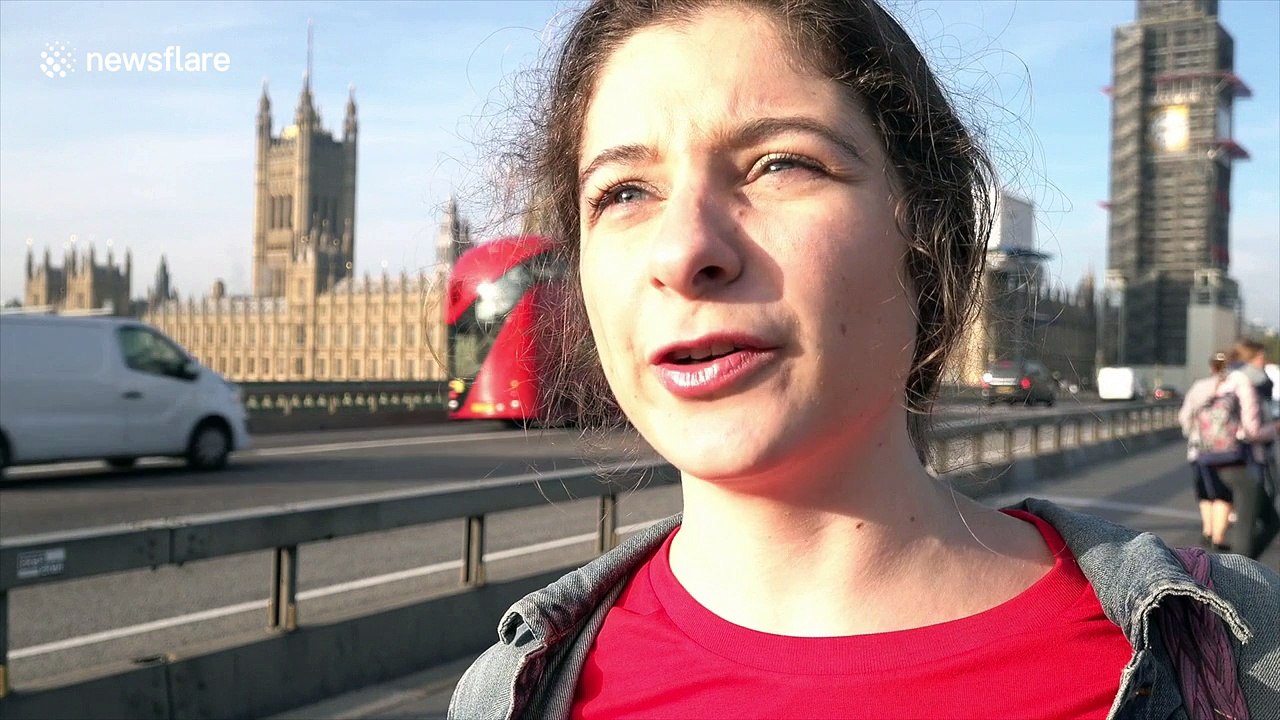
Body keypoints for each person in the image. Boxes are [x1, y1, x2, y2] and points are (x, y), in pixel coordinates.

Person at [451, 1, 1280, 717]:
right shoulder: (509, 691)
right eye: (623, 192)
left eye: (782, 163)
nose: (684, 247)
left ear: (928, 239)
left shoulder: (1243, 658)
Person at [1228, 338, 1280, 557]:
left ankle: (1241, 569)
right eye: (1260, 357)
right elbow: (1251, 430)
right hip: (1245, 459)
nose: (1263, 362)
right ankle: (1237, 574)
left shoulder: (1227, 378)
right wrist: (1275, 428)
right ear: (1249, 358)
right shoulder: (1248, 383)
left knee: (1256, 519)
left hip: (1219, 457)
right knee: (1253, 522)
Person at [1179, 352, 1234, 550]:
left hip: (1199, 449)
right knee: (1223, 493)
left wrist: (1195, 432)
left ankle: (1208, 530)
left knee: (1204, 491)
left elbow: (1184, 416)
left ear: (1211, 367)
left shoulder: (1199, 387)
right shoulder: (1234, 386)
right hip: (1229, 451)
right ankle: (1219, 536)